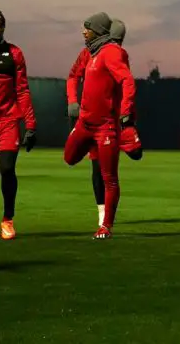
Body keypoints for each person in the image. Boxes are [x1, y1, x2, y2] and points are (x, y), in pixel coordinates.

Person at [63, 12, 136, 239]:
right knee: (69, 157)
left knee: (108, 177)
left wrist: (126, 114)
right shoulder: (89, 53)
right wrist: (73, 101)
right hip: (86, 123)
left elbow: (127, 82)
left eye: (87, 28)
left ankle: (106, 225)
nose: (83, 31)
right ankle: (127, 143)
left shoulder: (112, 53)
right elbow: (73, 76)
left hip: (106, 126)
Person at [0, 9, 36, 240]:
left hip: (7, 122)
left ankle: (8, 220)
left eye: (0, 26)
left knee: (6, 169)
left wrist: (30, 124)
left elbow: (22, 90)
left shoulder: (14, 53)